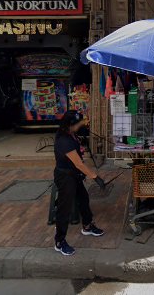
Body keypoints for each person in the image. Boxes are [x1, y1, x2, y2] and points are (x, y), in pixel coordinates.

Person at [53, 110, 105, 256]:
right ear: (70, 125)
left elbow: (82, 122)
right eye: (77, 124)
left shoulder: (71, 133)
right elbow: (79, 164)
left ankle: (87, 226)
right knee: (65, 208)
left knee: (83, 199)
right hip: (65, 176)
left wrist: (84, 123)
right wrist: (95, 177)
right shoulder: (64, 140)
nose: (80, 125)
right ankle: (59, 241)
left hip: (73, 174)